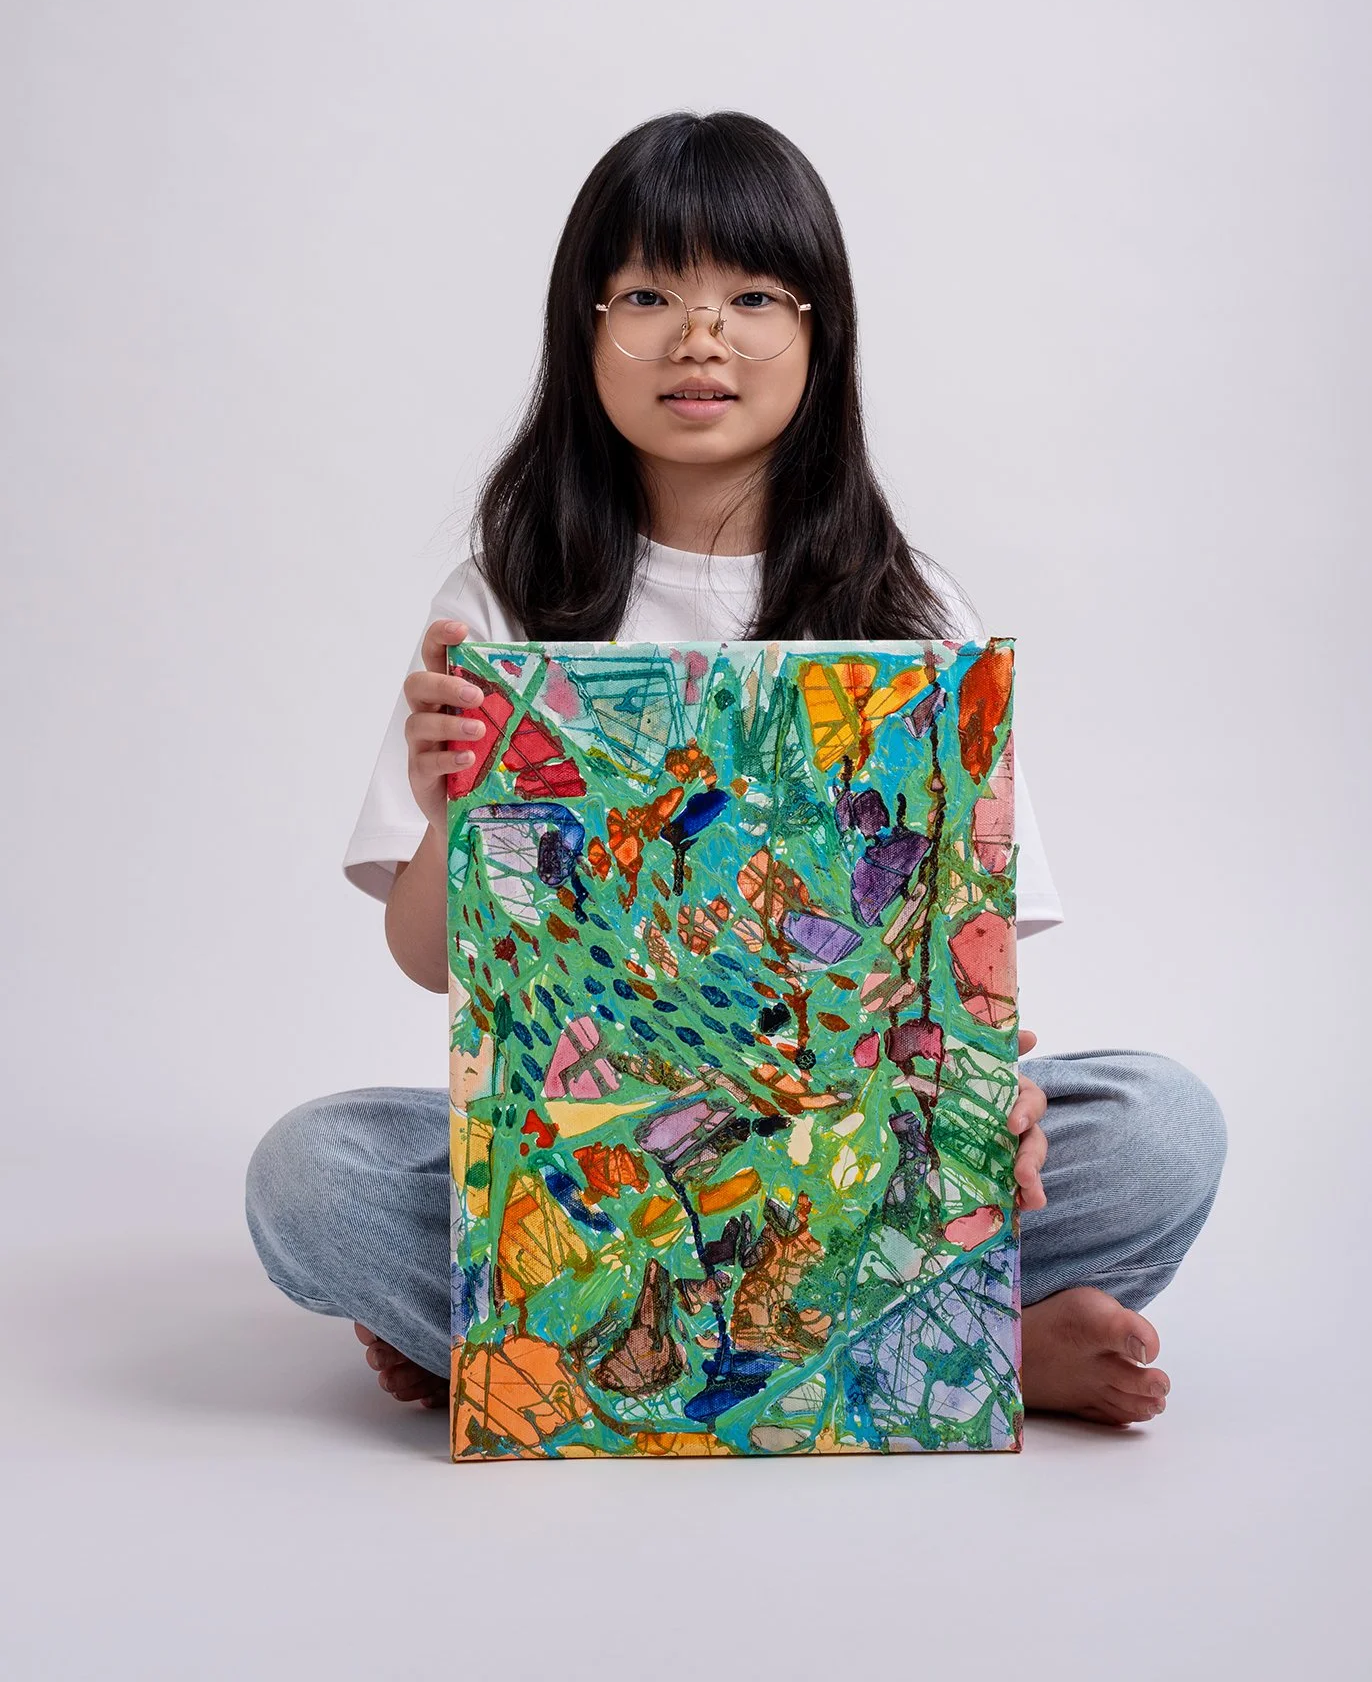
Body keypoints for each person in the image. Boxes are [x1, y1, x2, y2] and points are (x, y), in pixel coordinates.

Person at [245, 109, 1227, 1433]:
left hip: (853, 1137)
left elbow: (967, 964)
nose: (700, 336)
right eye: (648, 294)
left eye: (752, 295)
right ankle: (958, 1354)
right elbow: (434, 962)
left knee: (1161, 1127)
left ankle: (537, 1346)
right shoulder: (506, 603)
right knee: (310, 1179)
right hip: (598, 1150)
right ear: (582, 332)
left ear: (819, 337)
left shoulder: (905, 608)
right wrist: (454, 811)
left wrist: (1001, 1108)